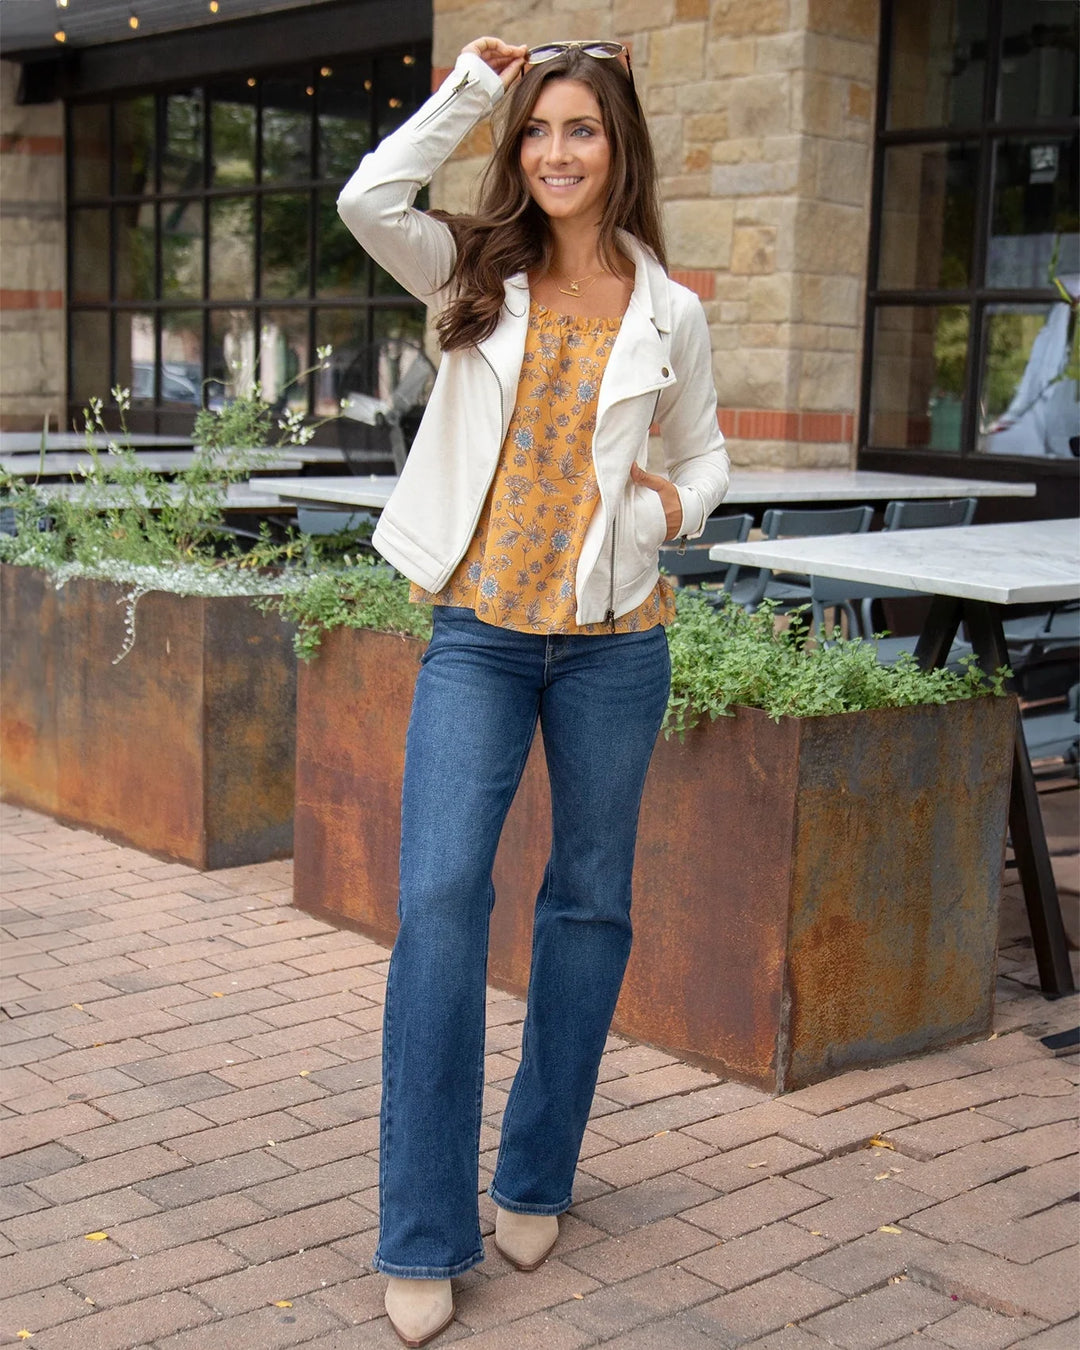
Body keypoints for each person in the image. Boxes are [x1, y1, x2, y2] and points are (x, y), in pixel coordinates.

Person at [337, 35, 730, 1347]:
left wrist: (680, 500)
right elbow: (364, 200)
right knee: (440, 898)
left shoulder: (669, 308)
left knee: (588, 905)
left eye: (583, 132)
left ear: (620, 152)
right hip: (481, 638)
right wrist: (468, 91)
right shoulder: (472, 267)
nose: (558, 153)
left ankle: (540, 1169)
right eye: (540, 131)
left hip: (620, 641)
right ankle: (422, 1228)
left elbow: (707, 445)